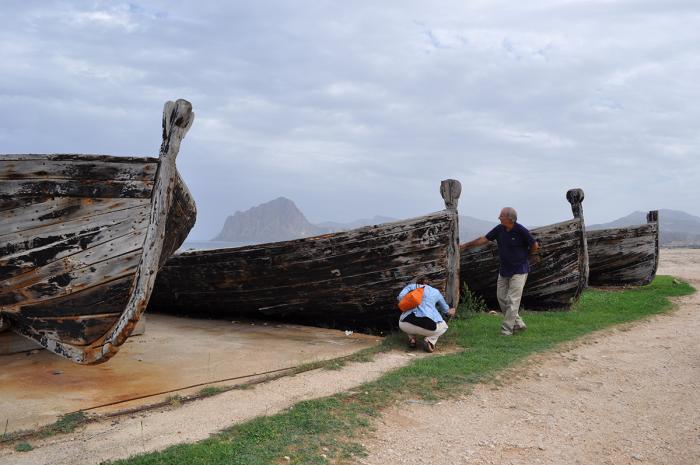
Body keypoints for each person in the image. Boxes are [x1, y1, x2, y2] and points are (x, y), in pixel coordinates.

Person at [463, 207, 540, 336]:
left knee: (512, 300)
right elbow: (484, 239)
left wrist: (527, 255)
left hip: (519, 270)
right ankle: (518, 323)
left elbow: (534, 245)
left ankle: (506, 330)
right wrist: (466, 245)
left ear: (510, 218)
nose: (499, 217)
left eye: (501, 216)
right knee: (501, 298)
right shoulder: (499, 229)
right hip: (504, 270)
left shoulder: (520, 230)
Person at [397, 276, 456, 352]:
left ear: (418, 282)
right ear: (429, 284)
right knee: (444, 327)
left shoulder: (411, 287)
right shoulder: (435, 292)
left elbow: (400, 297)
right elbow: (446, 310)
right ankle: (429, 340)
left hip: (404, 324)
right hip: (427, 326)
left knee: (408, 316)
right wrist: (452, 311)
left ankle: (412, 339)